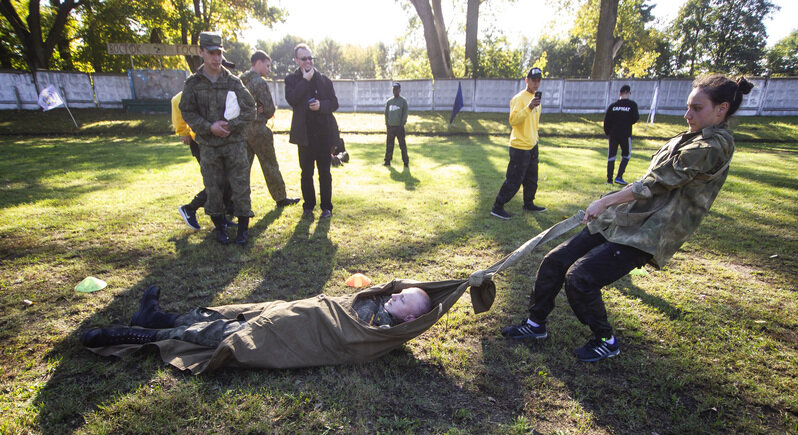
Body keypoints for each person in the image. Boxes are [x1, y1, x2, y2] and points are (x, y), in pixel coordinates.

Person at [501, 75, 753, 362]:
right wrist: (610, 208)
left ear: (722, 109)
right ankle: (535, 325)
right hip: (623, 218)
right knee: (555, 261)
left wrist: (606, 201)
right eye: (688, 107)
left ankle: (606, 340)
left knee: (581, 278)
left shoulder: (713, 146)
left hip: (647, 231)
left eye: (697, 108)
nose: (687, 114)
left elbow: (654, 184)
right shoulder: (692, 136)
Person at [81, 285, 432, 353]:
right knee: (222, 315)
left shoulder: (384, 329)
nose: (395, 296)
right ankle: (156, 316)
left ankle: (123, 334)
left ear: (411, 318)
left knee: (217, 333)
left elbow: (355, 332)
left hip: (291, 330)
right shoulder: (382, 303)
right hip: (297, 309)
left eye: (402, 300)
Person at [179, 31, 256, 245]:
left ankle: (242, 229)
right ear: (201, 52)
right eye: (211, 53)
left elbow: (250, 110)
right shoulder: (193, 83)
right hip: (209, 146)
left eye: (219, 53)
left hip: (234, 145)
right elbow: (187, 110)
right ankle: (220, 227)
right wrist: (209, 127)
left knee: (240, 186)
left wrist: (230, 126)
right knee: (213, 187)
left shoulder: (233, 82)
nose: (216, 58)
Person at [284, 43, 339, 219]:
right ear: (297, 60)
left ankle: (326, 207)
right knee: (306, 173)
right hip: (304, 136)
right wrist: (305, 80)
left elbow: (334, 103)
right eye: (304, 58)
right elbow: (292, 99)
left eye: (310, 58)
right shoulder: (291, 80)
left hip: (323, 135)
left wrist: (321, 106)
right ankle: (308, 206)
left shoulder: (324, 80)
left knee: (325, 173)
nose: (308, 61)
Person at [239, 50, 300, 208]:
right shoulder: (259, 82)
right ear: (258, 63)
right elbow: (269, 109)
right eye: (267, 65)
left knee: (241, 169)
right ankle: (280, 197)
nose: (269, 70)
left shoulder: (238, 81)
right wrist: (262, 110)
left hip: (241, 129)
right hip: (258, 129)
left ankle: (235, 202)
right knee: (270, 165)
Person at [171, 88, 235, 231]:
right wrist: (183, 131)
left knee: (227, 179)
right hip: (202, 142)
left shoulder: (225, 85)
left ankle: (222, 217)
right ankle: (190, 208)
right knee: (217, 181)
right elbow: (176, 101)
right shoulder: (198, 86)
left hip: (220, 141)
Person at [490, 67, 546, 220]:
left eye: (539, 80)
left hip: (532, 145)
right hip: (519, 147)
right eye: (533, 80)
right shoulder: (519, 99)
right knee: (514, 180)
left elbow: (533, 123)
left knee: (532, 179)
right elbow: (513, 121)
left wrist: (536, 140)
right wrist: (529, 107)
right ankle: (498, 206)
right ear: (527, 80)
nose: (536, 83)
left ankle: (529, 203)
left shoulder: (536, 99)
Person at [603, 84, 639, 186]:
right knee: (626, 154)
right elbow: (635, 118)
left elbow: (607, 121)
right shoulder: (632, 105)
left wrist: (608, 132)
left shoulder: (613, 106)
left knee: (611, 156)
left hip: (613, 135)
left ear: (619, 93)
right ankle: (619, 176)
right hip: (625, 134)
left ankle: (609, 180)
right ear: (628, 93)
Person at [383, 82, 409, 168]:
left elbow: (405, 113)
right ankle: (387, 161)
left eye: (396, 89)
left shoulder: (403, 101)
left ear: (399, 90)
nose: (395, 91)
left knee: (402, 145)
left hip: (399, 127)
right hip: (390, 127)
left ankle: (405, 162)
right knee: (389, 145)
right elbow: (386, 113)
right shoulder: (389, 102)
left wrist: (402, 123)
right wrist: (387, 123)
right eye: (393, 89)